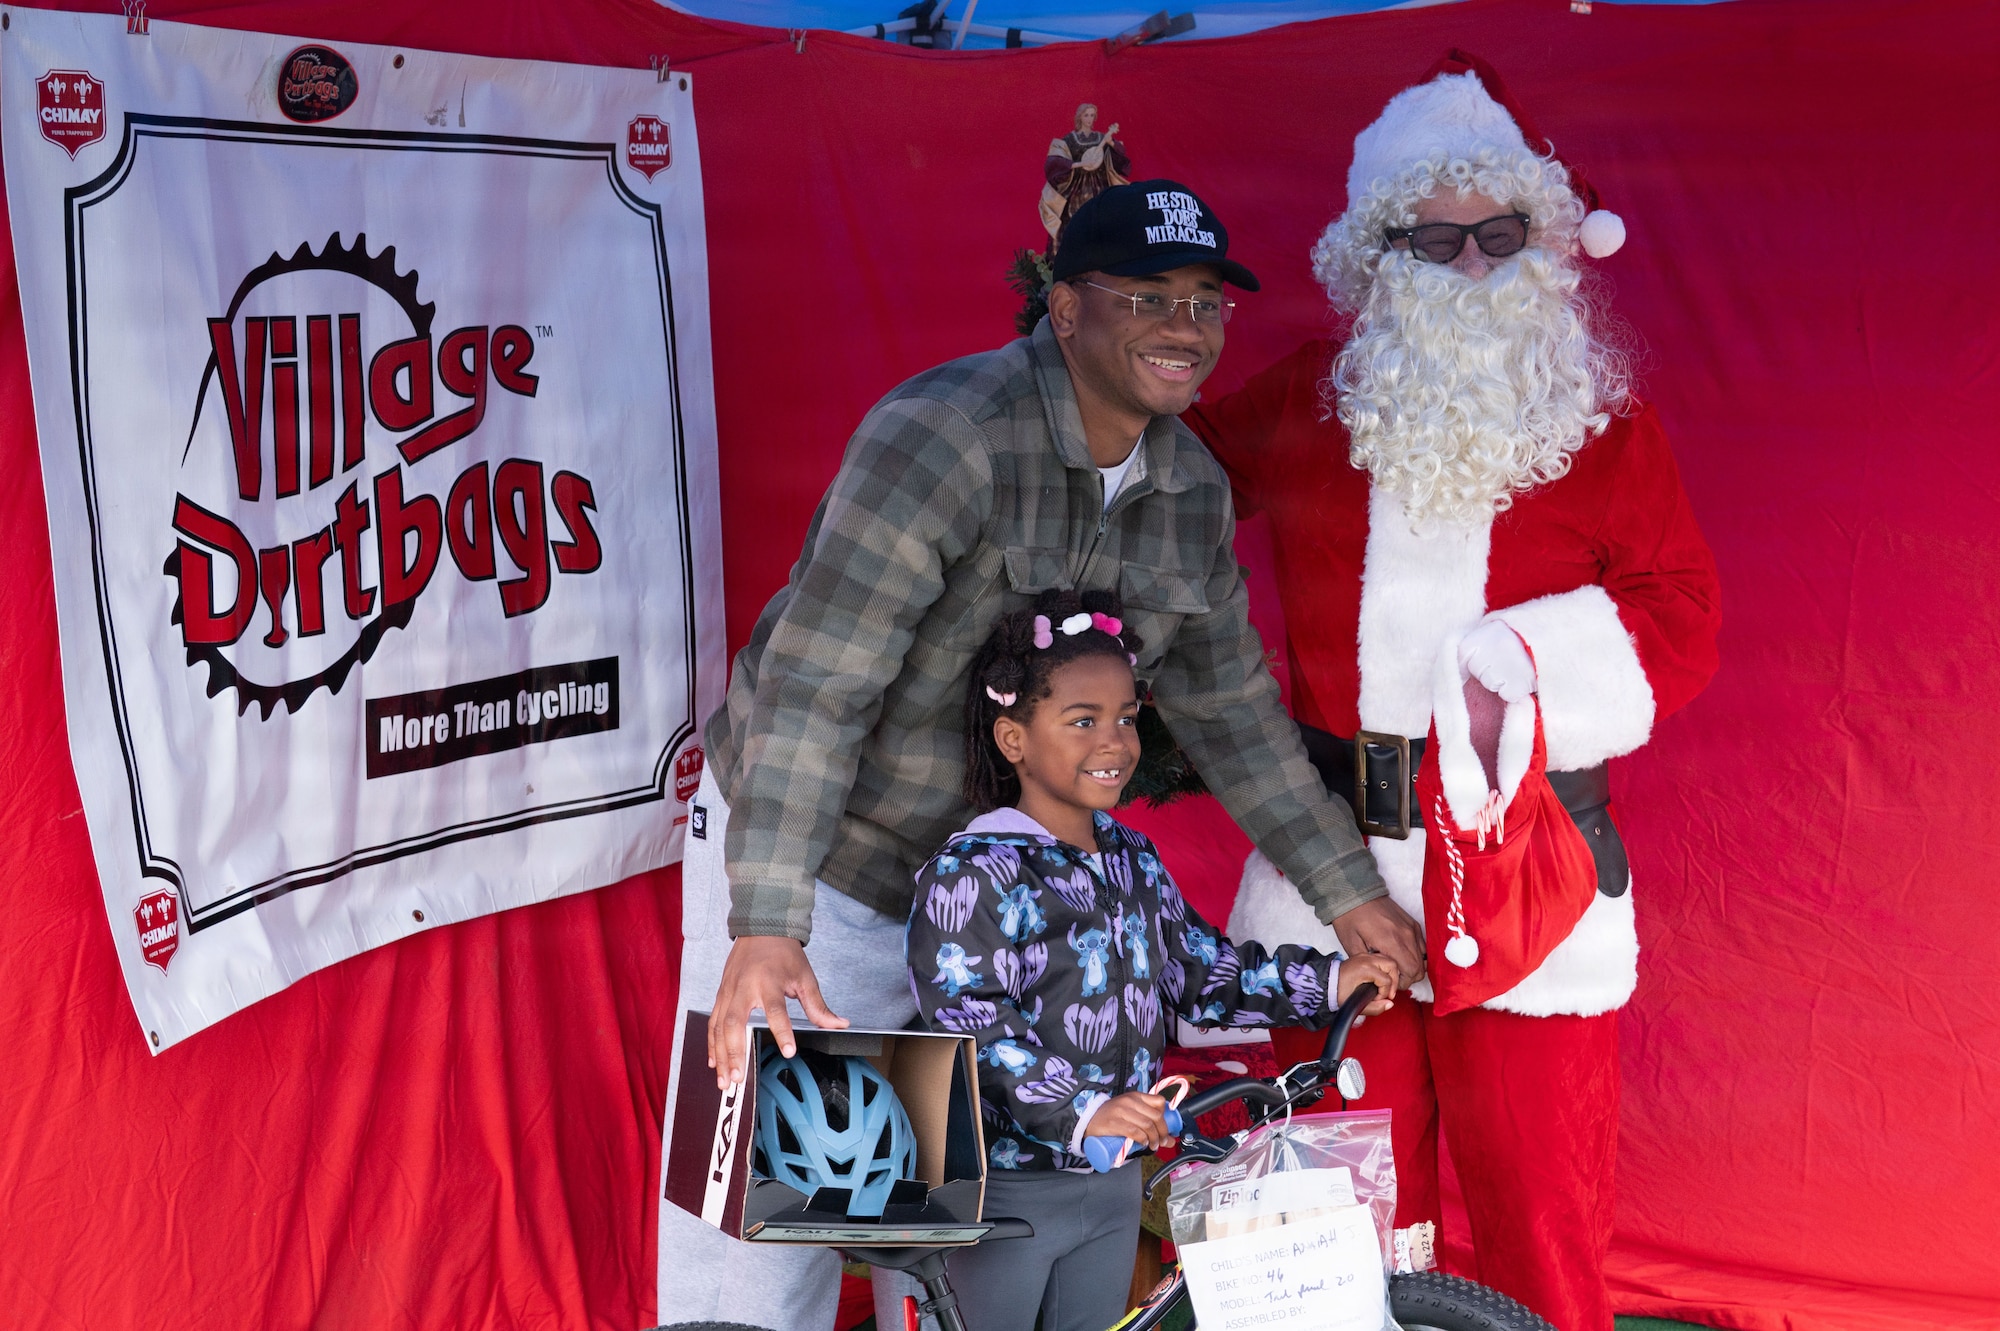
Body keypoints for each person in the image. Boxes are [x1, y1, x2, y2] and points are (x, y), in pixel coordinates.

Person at [660, 178, 1423, 1331]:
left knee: (962, 1233)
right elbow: (815, 686)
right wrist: (768, 920)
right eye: (1145, 297)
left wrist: (1347, 890)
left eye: (1206, 303)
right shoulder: (946, 436)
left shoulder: (1188, 495)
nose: (1183, 328)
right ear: (1064, 310)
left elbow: (1234, 714)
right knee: (779, 1228)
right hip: (833, 862)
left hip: (999, 910)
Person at [1185, 53, 1721, 1331]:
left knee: (1540, 1206)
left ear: (1543, 242)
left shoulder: (1602, 425)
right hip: (1333, 866)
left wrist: (1522, 662)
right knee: (1328, 1194)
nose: (1474, 265)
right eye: (1438, 240)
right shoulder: (1307, 404)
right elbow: (1162, 486)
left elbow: (1678, 614)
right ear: (1379, 256)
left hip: (1530, 866)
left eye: (1500, 234)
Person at [907, 588, 1399, 1331]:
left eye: (1127, 718)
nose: (1115, 741)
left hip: (1109, 1192)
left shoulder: (1132, 855)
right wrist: (1084, 1110)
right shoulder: (973, 870)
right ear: (1013, 739)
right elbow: (974, 1026)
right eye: (1082, 721)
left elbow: (1199, 972)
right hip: (1002, 1194)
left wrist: (1329, 979)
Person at [1040, 103, 1130, 250]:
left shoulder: (1101, 137)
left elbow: (1120, 155)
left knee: (1103, 219)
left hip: (1100, 186)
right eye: (1086, 115)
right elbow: (1055, 162)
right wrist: (1080, 164)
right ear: (1080, 117)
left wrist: (1111, 142)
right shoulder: (1070, 139)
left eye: (1092, 115)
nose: (1089, 119)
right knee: (1072, 221)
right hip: (1077, 189)